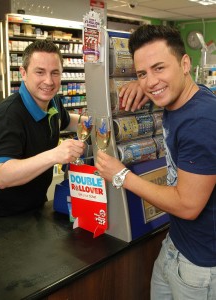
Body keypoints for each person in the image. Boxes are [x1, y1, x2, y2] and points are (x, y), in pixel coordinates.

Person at [95, 25, 216, 300]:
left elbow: (188, 206)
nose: (150, 82)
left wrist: (121, 176)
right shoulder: (188, 98)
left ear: (185, 63)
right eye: (142, 73)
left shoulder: (202, 122)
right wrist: (149, 81)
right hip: (177, 244)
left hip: (200, 267)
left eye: (159, 68)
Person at [0, 39, 85, 217]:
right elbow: (1, 175)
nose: (49, 81)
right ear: (23, 73)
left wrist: (95, 124)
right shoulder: (8, 115)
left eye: (55, 73)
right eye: (40, 72)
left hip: (35, 206)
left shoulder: (52, 100)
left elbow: (65, 119)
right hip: (2, 218)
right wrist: (55, 154)